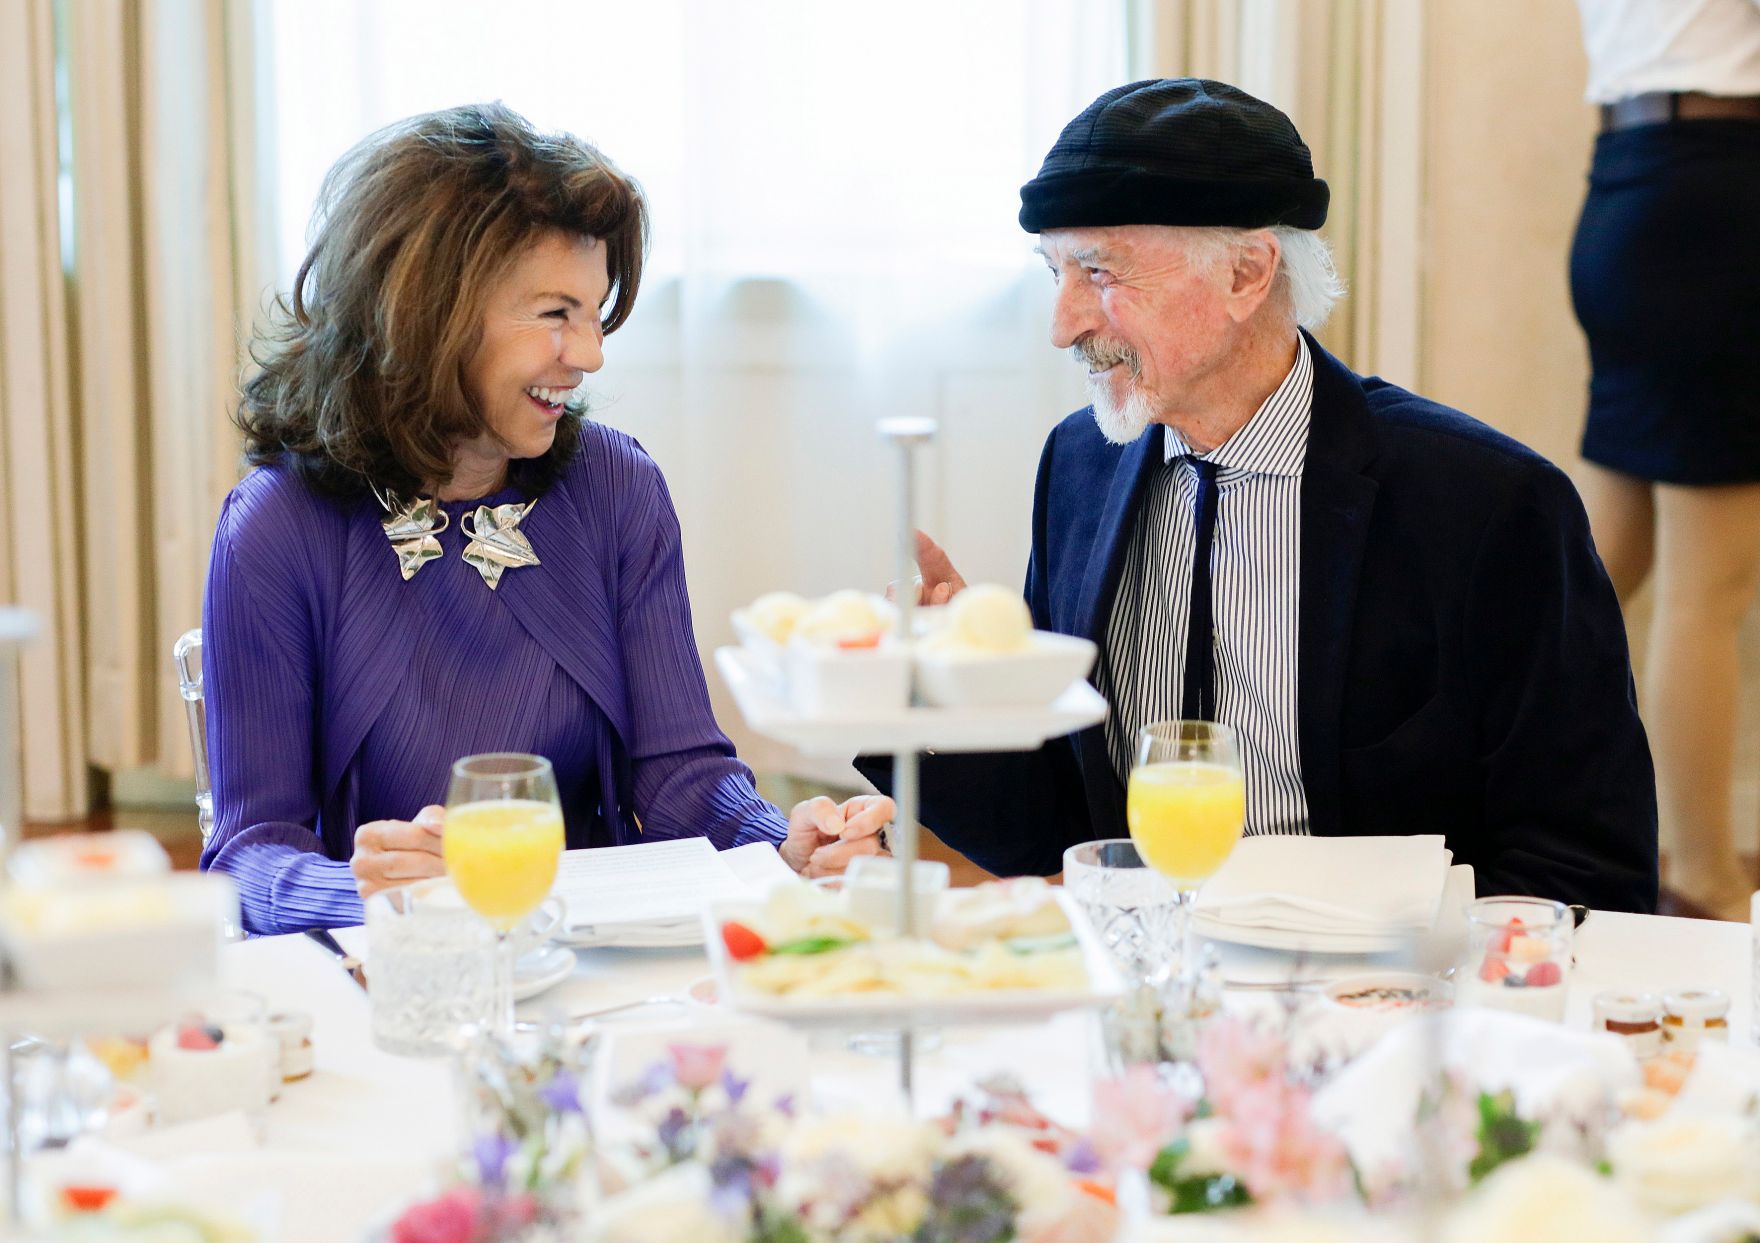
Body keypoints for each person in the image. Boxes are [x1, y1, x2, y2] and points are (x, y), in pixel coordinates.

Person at [869, 78, 1658, 913]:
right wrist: (944, 695)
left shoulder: (1488, 505)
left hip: (1386, 996)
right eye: (1055, 272)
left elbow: (1584, 868)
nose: (1063, 325)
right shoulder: (1081, 466)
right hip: (1147, 976)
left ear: (1248, 273)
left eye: (1099, 272)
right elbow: (1062, 836)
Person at [203, 103, 891, 935]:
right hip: (399, 971)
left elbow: (678, 774)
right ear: (429, 311)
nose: (592, 354)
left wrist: (783, 847)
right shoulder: (278, 526)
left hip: (599, 960)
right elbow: (249, 855)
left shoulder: (617, 487)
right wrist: (375, 894)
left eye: (596, 313)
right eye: (556, 313)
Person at [1569, 0, 1760, 921]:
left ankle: (1472, 773)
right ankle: (1703, 879)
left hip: (1625, 190)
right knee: (1709, 589)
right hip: (1713, 202)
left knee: (1604, 557)